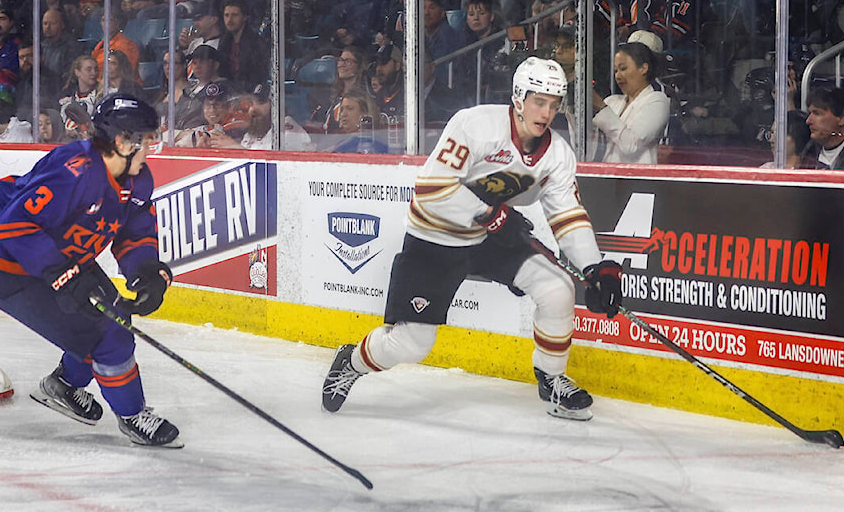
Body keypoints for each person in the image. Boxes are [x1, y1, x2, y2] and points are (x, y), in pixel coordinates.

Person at [322, 57, 622, 420]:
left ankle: (552, 381)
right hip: (435, 236)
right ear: (518, 98)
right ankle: (350, 363)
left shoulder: (557, 154)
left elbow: (567, 216)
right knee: (412, 343)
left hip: (487, 235)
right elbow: (432, 190)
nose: (546, 112)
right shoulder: (476, 125)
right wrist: (494, 215)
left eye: (554, 104)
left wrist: (595, 267)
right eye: (538, 101)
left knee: (558, 288)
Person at [0, 93, 181, 448]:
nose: (150, 149)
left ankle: (63, 385)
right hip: (11, 266)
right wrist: (62, 274)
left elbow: (134, 230)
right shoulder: (76, 170)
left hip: (60, 257)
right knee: (109, 335)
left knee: (110, 316)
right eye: (145, 140)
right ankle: (132, 416)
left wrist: (145, 270)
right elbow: (14, 225)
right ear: (121, 141)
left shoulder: (137, 179)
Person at [591, 41, 671, 164]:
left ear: (644, 68)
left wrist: (601, 108)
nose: (617, 76)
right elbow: (590, 141)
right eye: (616, 70)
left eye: (623, 68)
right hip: (604, 177)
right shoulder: (612, 101)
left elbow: (631, 145)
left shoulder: (657, 101)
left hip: (637, 180)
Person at [238, 82, 312, 151]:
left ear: (276, 105)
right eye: (251, 103)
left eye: (261, 102)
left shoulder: (288, 132)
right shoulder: (252, 134)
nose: (253, 108)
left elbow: (269, 160)